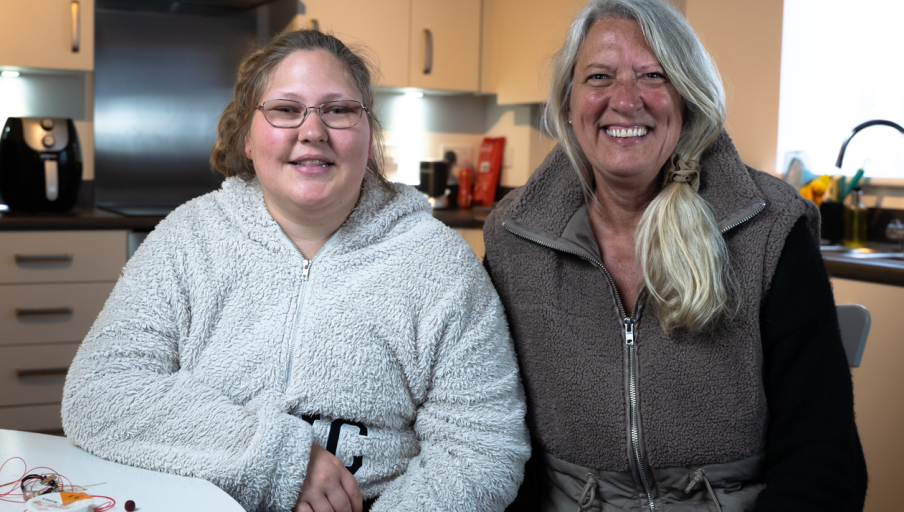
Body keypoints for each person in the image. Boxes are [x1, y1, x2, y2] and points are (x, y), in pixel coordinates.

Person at [63, 30, 529, 512]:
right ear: (247, 137)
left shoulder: (441, 267)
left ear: (369, 137)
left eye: (339, 110)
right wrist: (285, 458)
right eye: (286, 110)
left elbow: (483, 450)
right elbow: (98, 393)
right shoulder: (186, 240)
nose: (313, 131)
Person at [482, 0, 867, 510]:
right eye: (599, 76)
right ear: (569, 105)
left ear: (686, 98)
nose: (625, 100)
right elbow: (485, 435)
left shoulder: (771, 227)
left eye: (653, 75)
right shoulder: (515, 238)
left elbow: (822, 455)